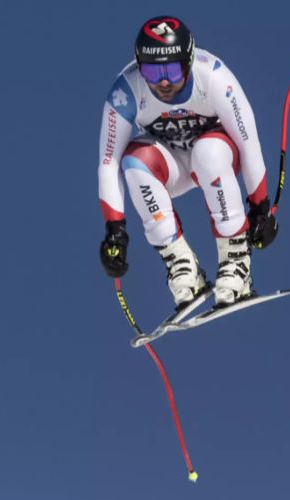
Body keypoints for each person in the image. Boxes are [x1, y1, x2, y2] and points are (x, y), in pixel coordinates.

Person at [98, 15, 278, 308]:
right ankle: (182, 265)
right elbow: (108, 162)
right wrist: (115, 231)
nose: (164, 82)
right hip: (173, 165)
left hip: (216, 158)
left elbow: (248, 142)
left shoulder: (214, 77)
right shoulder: (125, 91)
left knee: (207, 152)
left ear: (189, 60)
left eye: (171, 70)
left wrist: (260, 207)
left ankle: (235, 261)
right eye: (153, 74)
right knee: (133, 163)